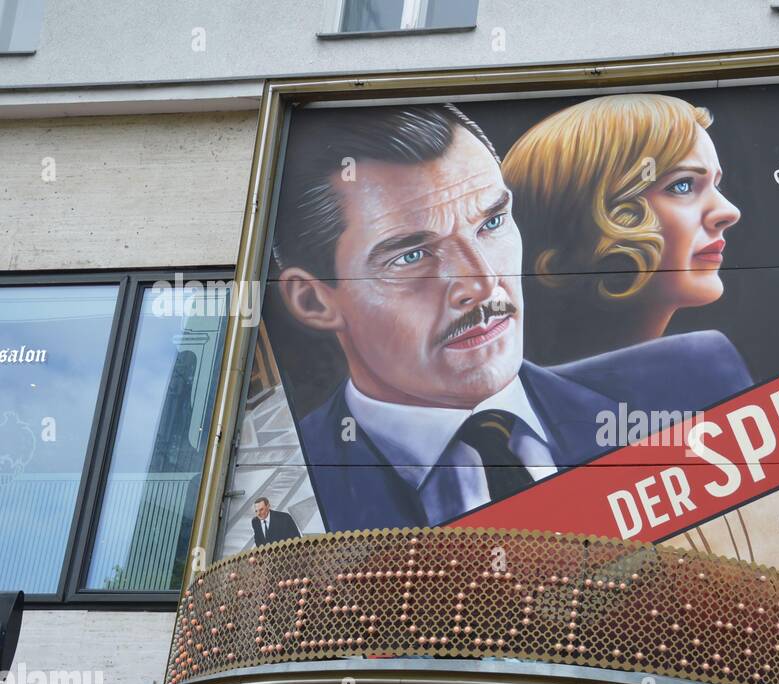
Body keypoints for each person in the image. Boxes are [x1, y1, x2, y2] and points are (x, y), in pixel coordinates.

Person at [271, 104, 752, 533]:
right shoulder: (288, 491)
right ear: (314, 301)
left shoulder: (697, 384)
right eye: (412, 255)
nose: (482, 284)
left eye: (493, 223)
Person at [501, 94, 742, 365]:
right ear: (581, 213)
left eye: (715, 185)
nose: (729, 212)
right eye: (682, 185)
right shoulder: (705, 366)